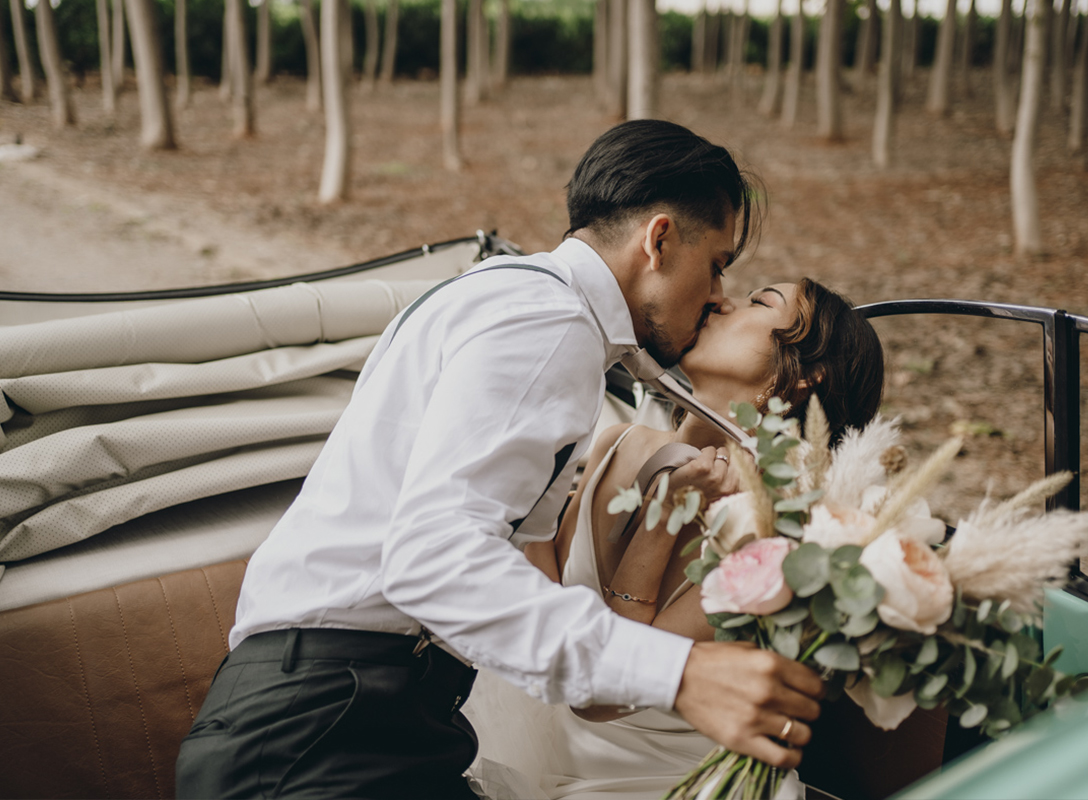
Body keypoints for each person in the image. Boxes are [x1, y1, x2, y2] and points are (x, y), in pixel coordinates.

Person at [175, 120, 828, 800]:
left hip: (374, 713)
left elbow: (523, 559)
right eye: (718, 264)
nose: (720, 293)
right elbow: (431, 557)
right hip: (319, 730)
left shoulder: (519, 298)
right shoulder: (549, 325)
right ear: (658, 240)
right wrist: (680, 674)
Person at [463, 277, 885, 800]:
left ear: (803, 377)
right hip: (529, 750)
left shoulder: (780, 532)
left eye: (760, 301)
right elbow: (544, 579)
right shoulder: (618, 441)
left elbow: (601, 694)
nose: (722, 299)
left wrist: (659, 524)